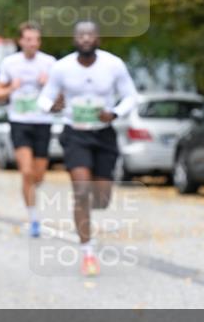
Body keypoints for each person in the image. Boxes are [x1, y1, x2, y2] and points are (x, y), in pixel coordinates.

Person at [37, 21, 138, 277]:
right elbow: (44, 98)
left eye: (89, 35)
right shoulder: (62, 67)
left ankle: (85, 215)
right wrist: (52, 106)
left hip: (103, 134)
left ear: (98, 39)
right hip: (75, 134)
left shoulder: (113, 65)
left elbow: (131, 96)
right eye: (80, 35)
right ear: (74, 39)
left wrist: (114, 113)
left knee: (101, 199)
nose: (84, 39)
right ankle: (87, 252)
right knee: (81, 191)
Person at [0, 21, 57, 238]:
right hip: (19, 122)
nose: (31, 43)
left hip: (43, 122)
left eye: (35, 40)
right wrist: (12, 88)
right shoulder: (10, 63)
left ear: (39, 42)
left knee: (38, 176)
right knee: (26, 171)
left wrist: (48, 85)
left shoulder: (49, 63)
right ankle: (33, 218)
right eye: (27, 39)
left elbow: (61, 99)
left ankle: (31, 196)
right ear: (21, 41)